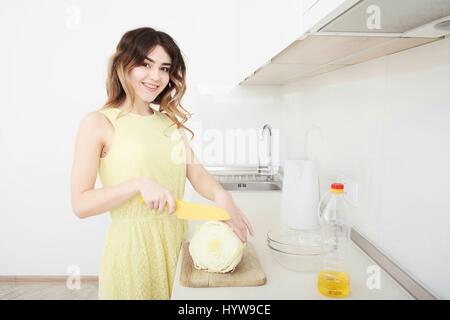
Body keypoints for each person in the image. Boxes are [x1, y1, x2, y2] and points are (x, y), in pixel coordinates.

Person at [70, 27, 254, 300]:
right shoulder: (98, 123)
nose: (156, 77)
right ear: (123, 64)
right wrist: (138, 184)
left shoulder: (169, 122)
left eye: (165, 68)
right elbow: (81, 204)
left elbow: (198, 175)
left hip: (177, 243)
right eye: (146, 64)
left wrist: (221, 195)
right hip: (132, 251)